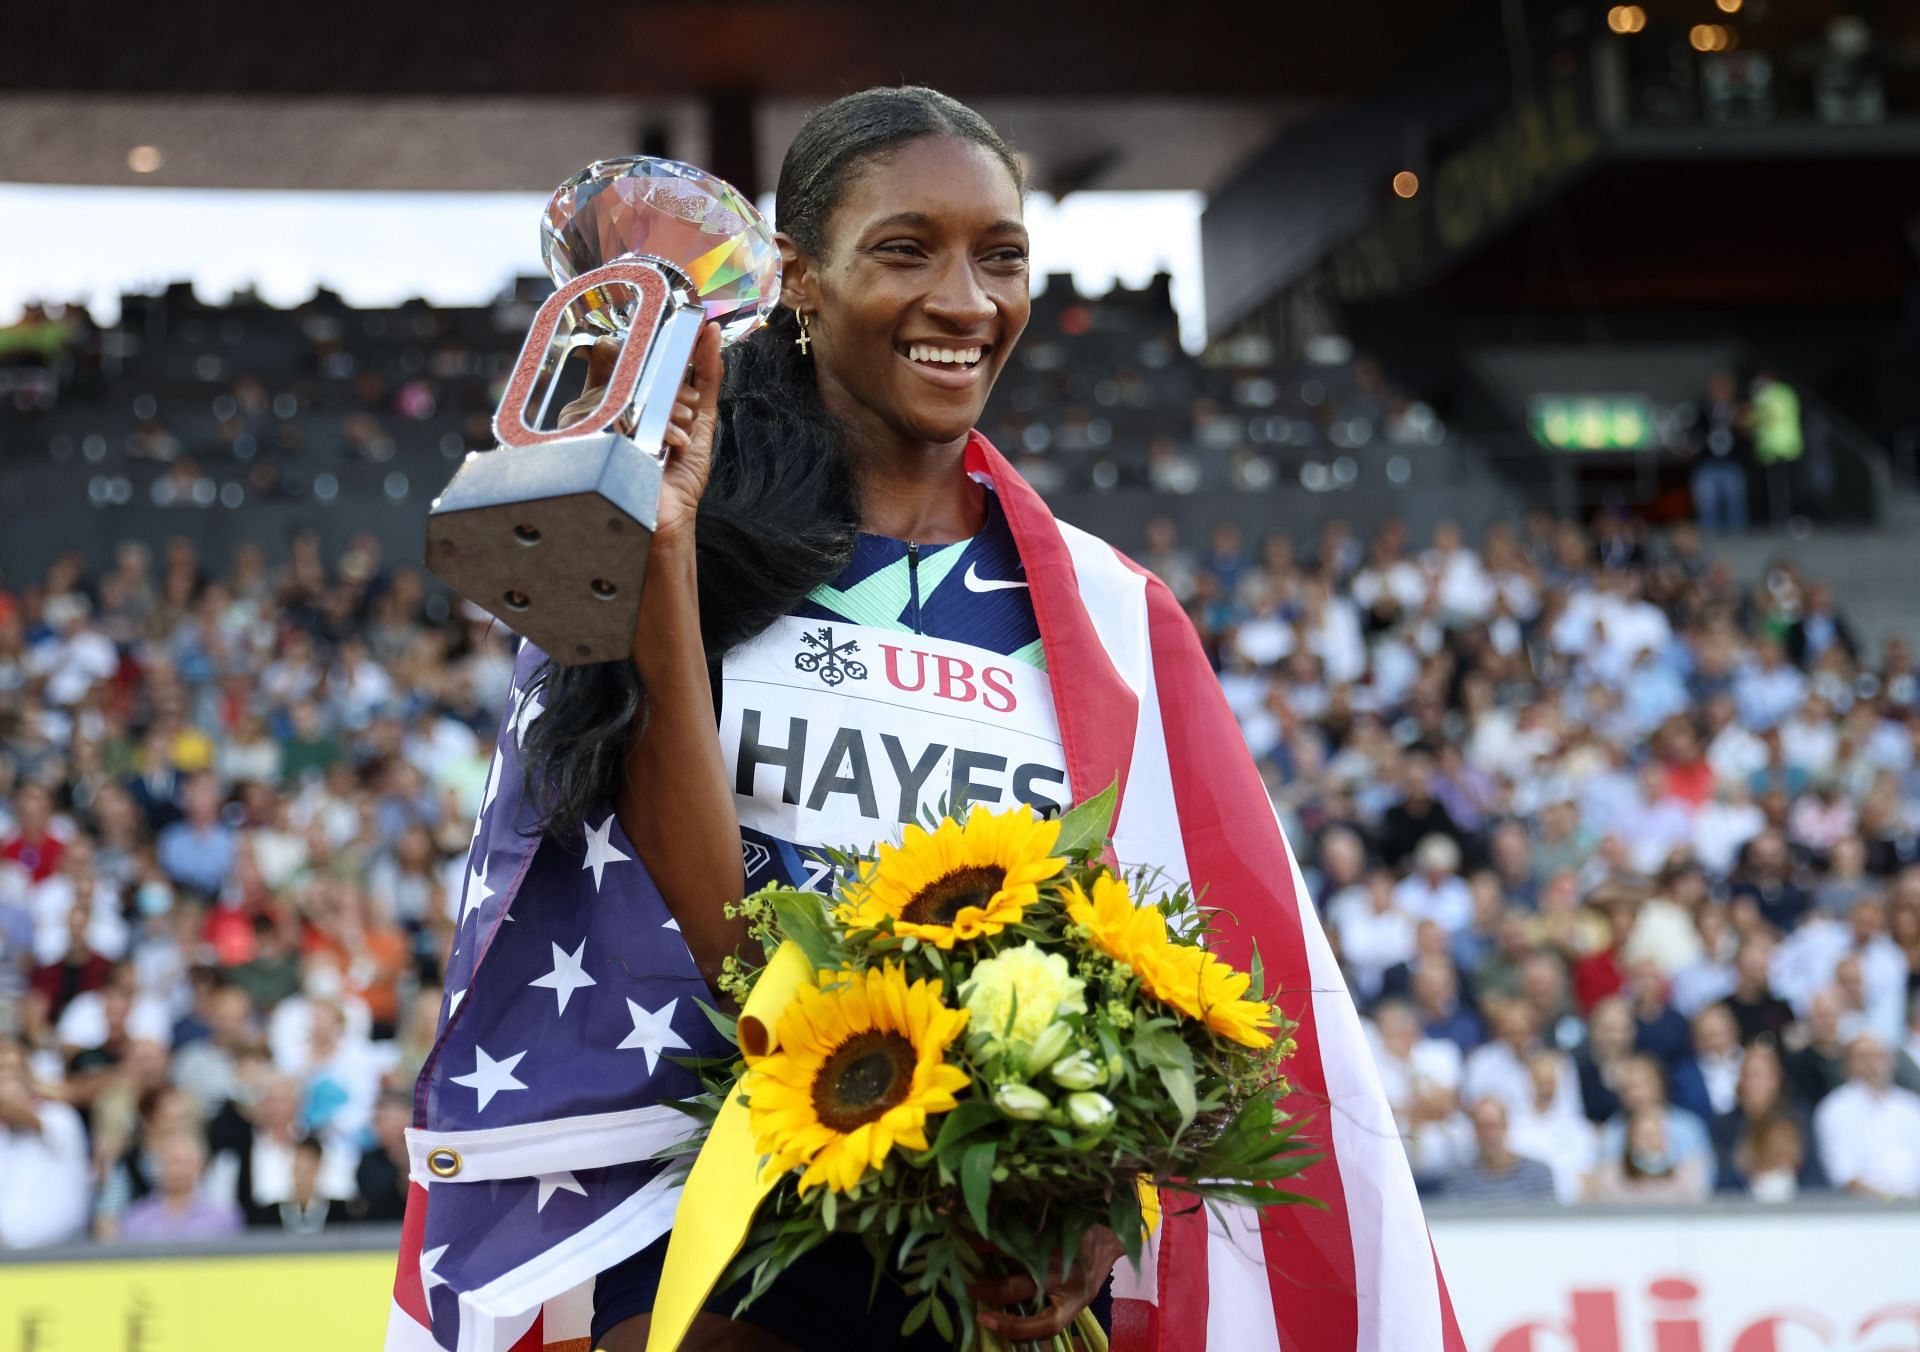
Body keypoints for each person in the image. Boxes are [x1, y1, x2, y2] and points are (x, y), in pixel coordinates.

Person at [390, 86, 1455, 1352]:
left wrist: (1091, 1197)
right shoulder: (665, 540)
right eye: (907, 250)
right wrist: (664, 544)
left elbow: (1171, 950)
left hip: (992, 1240)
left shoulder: (1113, 616)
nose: (967, 301)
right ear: (800, 279)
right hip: (709, 1206)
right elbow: (702, 903)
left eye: (1000, 257)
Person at [1810, 1034, 1920, 1199]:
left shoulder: (1911, 1106)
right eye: (1863, 1056)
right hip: (1862, 1214)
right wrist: (1892, 1202)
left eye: (1879, 1055)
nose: (1873, 1063)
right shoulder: (1833, 1110)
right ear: (1847, 1064)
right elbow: (1843, 1175)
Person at [117, 1131, 242, 1243]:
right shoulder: (136, 1218)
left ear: (201, 1166)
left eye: (184, 1163)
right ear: (158, 1166)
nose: (177, 1170)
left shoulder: (223, 1217)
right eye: (170, 1162)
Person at [1441, 1097, 1558, 1203]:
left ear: (1506, 1126)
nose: (1488, 1134)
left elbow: (1549, 1222)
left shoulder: (1538, 1175)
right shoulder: (1460, 1179)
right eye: (1481, 1127)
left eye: (1493, 1126)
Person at [1690, 369, 1750, 533]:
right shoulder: (1702, 408)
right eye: (1717, 387)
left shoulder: (1739, 408)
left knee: (1734, 501)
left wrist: (1737, 422)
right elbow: (1694, 434)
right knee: (1707, 501)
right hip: (1708, 463)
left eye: (1724, 387)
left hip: (1732, 462)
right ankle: (1710, 540)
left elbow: (1747, 435)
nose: (1721, 391)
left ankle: (1738, 541)